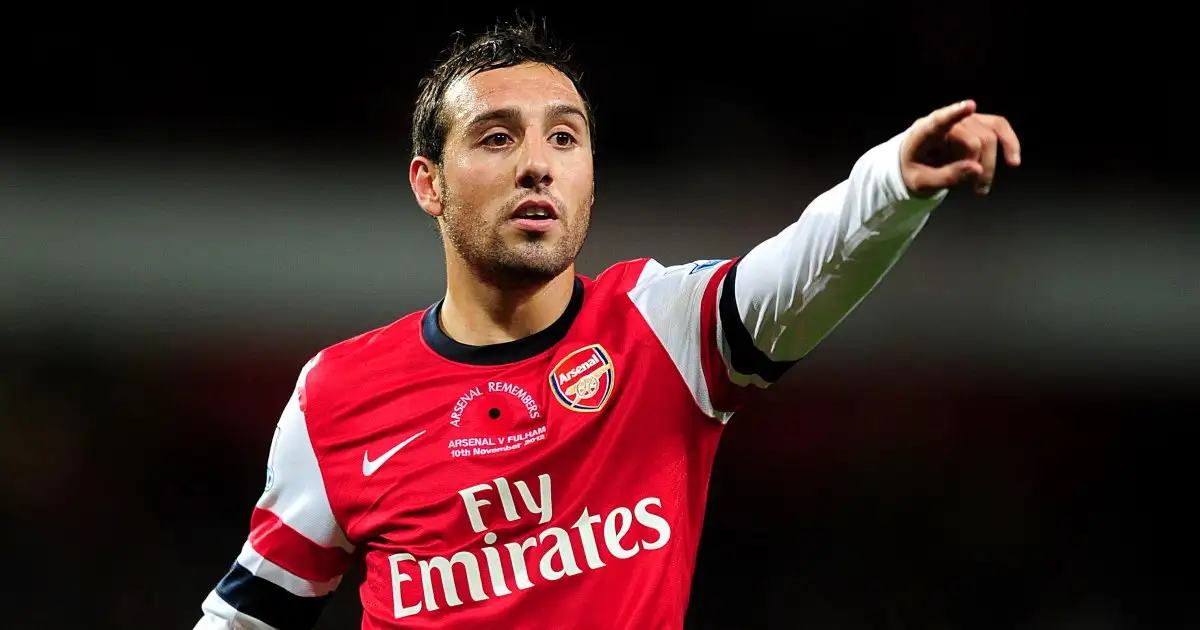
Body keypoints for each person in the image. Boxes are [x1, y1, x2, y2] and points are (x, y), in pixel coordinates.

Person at [193, 16, 1020, 630]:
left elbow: (800, 272)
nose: (536, 163)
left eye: (564, 136)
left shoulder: (659, 328)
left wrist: (893, 186)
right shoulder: (336, 395)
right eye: (495, 137)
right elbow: (250, 615)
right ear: (428, 183)